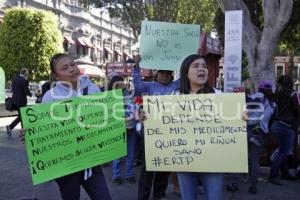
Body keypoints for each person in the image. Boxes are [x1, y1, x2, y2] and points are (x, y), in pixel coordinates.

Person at [21, 53, 111, 200]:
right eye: (65, 68)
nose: (72, 69)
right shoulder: (50, 97)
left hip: (91, 160)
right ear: (56, 76)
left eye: (73, 64)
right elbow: (43, 128)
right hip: (66, 165)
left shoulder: (93, 89)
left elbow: (106, 117)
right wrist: (30, 134)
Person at [177, 54, 223, 200]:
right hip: (185, 160)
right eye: (196, 66)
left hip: (214, 160)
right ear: (186, 72)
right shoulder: (174, 97)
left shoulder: (220, 96)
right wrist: (147, 118)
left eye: (204, 66)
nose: (201, 69)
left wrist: (242, 117)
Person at [132, 55, 179, 200]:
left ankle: (159, 195)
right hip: (151, 133)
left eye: (168, 73)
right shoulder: (149, 86)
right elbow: (138, 85)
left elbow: (187, 74)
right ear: (156, 74)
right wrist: (136, 66)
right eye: (162, 73)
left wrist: (194, 56)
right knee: (147, 168)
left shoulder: (176, 85)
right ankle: (143, 197)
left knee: (164, 167)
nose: (165, 76)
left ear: (172, 75)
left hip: (169, 133)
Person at [268, 75, 300, 185]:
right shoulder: (293, 94)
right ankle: (273, 175)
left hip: (277, 125)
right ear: (291, 83)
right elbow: (297, 109)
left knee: (282, 150)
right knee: (284, 151)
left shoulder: (278, 94)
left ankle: (285, 173)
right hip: (288, 126)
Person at [108, 75, 137, 185]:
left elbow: (134, 108)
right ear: (113, 86)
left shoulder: (129, 94)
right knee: (117, 154)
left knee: (131, 153)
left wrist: (137, 111)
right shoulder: (109, 98)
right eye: (117, 84)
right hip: (117, 130)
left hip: (131, 128)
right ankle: (116, 175)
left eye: (121, 83)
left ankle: (129, 174)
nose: (121, 85)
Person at [6, 68, 32, 137]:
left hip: (15, 101)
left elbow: (12, 90)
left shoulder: (14, 79)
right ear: (25, 73)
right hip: (22, 101)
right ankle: (11, 126)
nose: (28, 74)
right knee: (22, 116)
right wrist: (30, 94)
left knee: (22, 116)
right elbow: (26, 90)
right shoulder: (24, 80)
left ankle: (22, 130)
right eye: (27, 73)